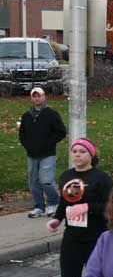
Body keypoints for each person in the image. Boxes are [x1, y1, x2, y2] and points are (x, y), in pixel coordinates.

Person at [46, 138, 113, 277]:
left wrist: (88, 207)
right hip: (72, 238)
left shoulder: (101, 178)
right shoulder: (66, 176)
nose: (77, 154)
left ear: (91, 155)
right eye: (74, 151)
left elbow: (112, 206)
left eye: (82, 151)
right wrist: (57, 219)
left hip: (97, 238)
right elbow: (64, 202)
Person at [19, 87, 67, 217]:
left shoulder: (51, 114)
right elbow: (22, 133)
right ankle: (39, 206)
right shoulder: (27, 115)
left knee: (46, 180)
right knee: (33, 182)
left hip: (47, 154)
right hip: (32, 155)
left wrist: (48, 143)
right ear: (31, 98)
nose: (37, 98)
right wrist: (27, 145)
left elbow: (61, 132)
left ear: (44, 97)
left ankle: (53, 202)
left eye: (39, 96)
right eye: (34, 96)